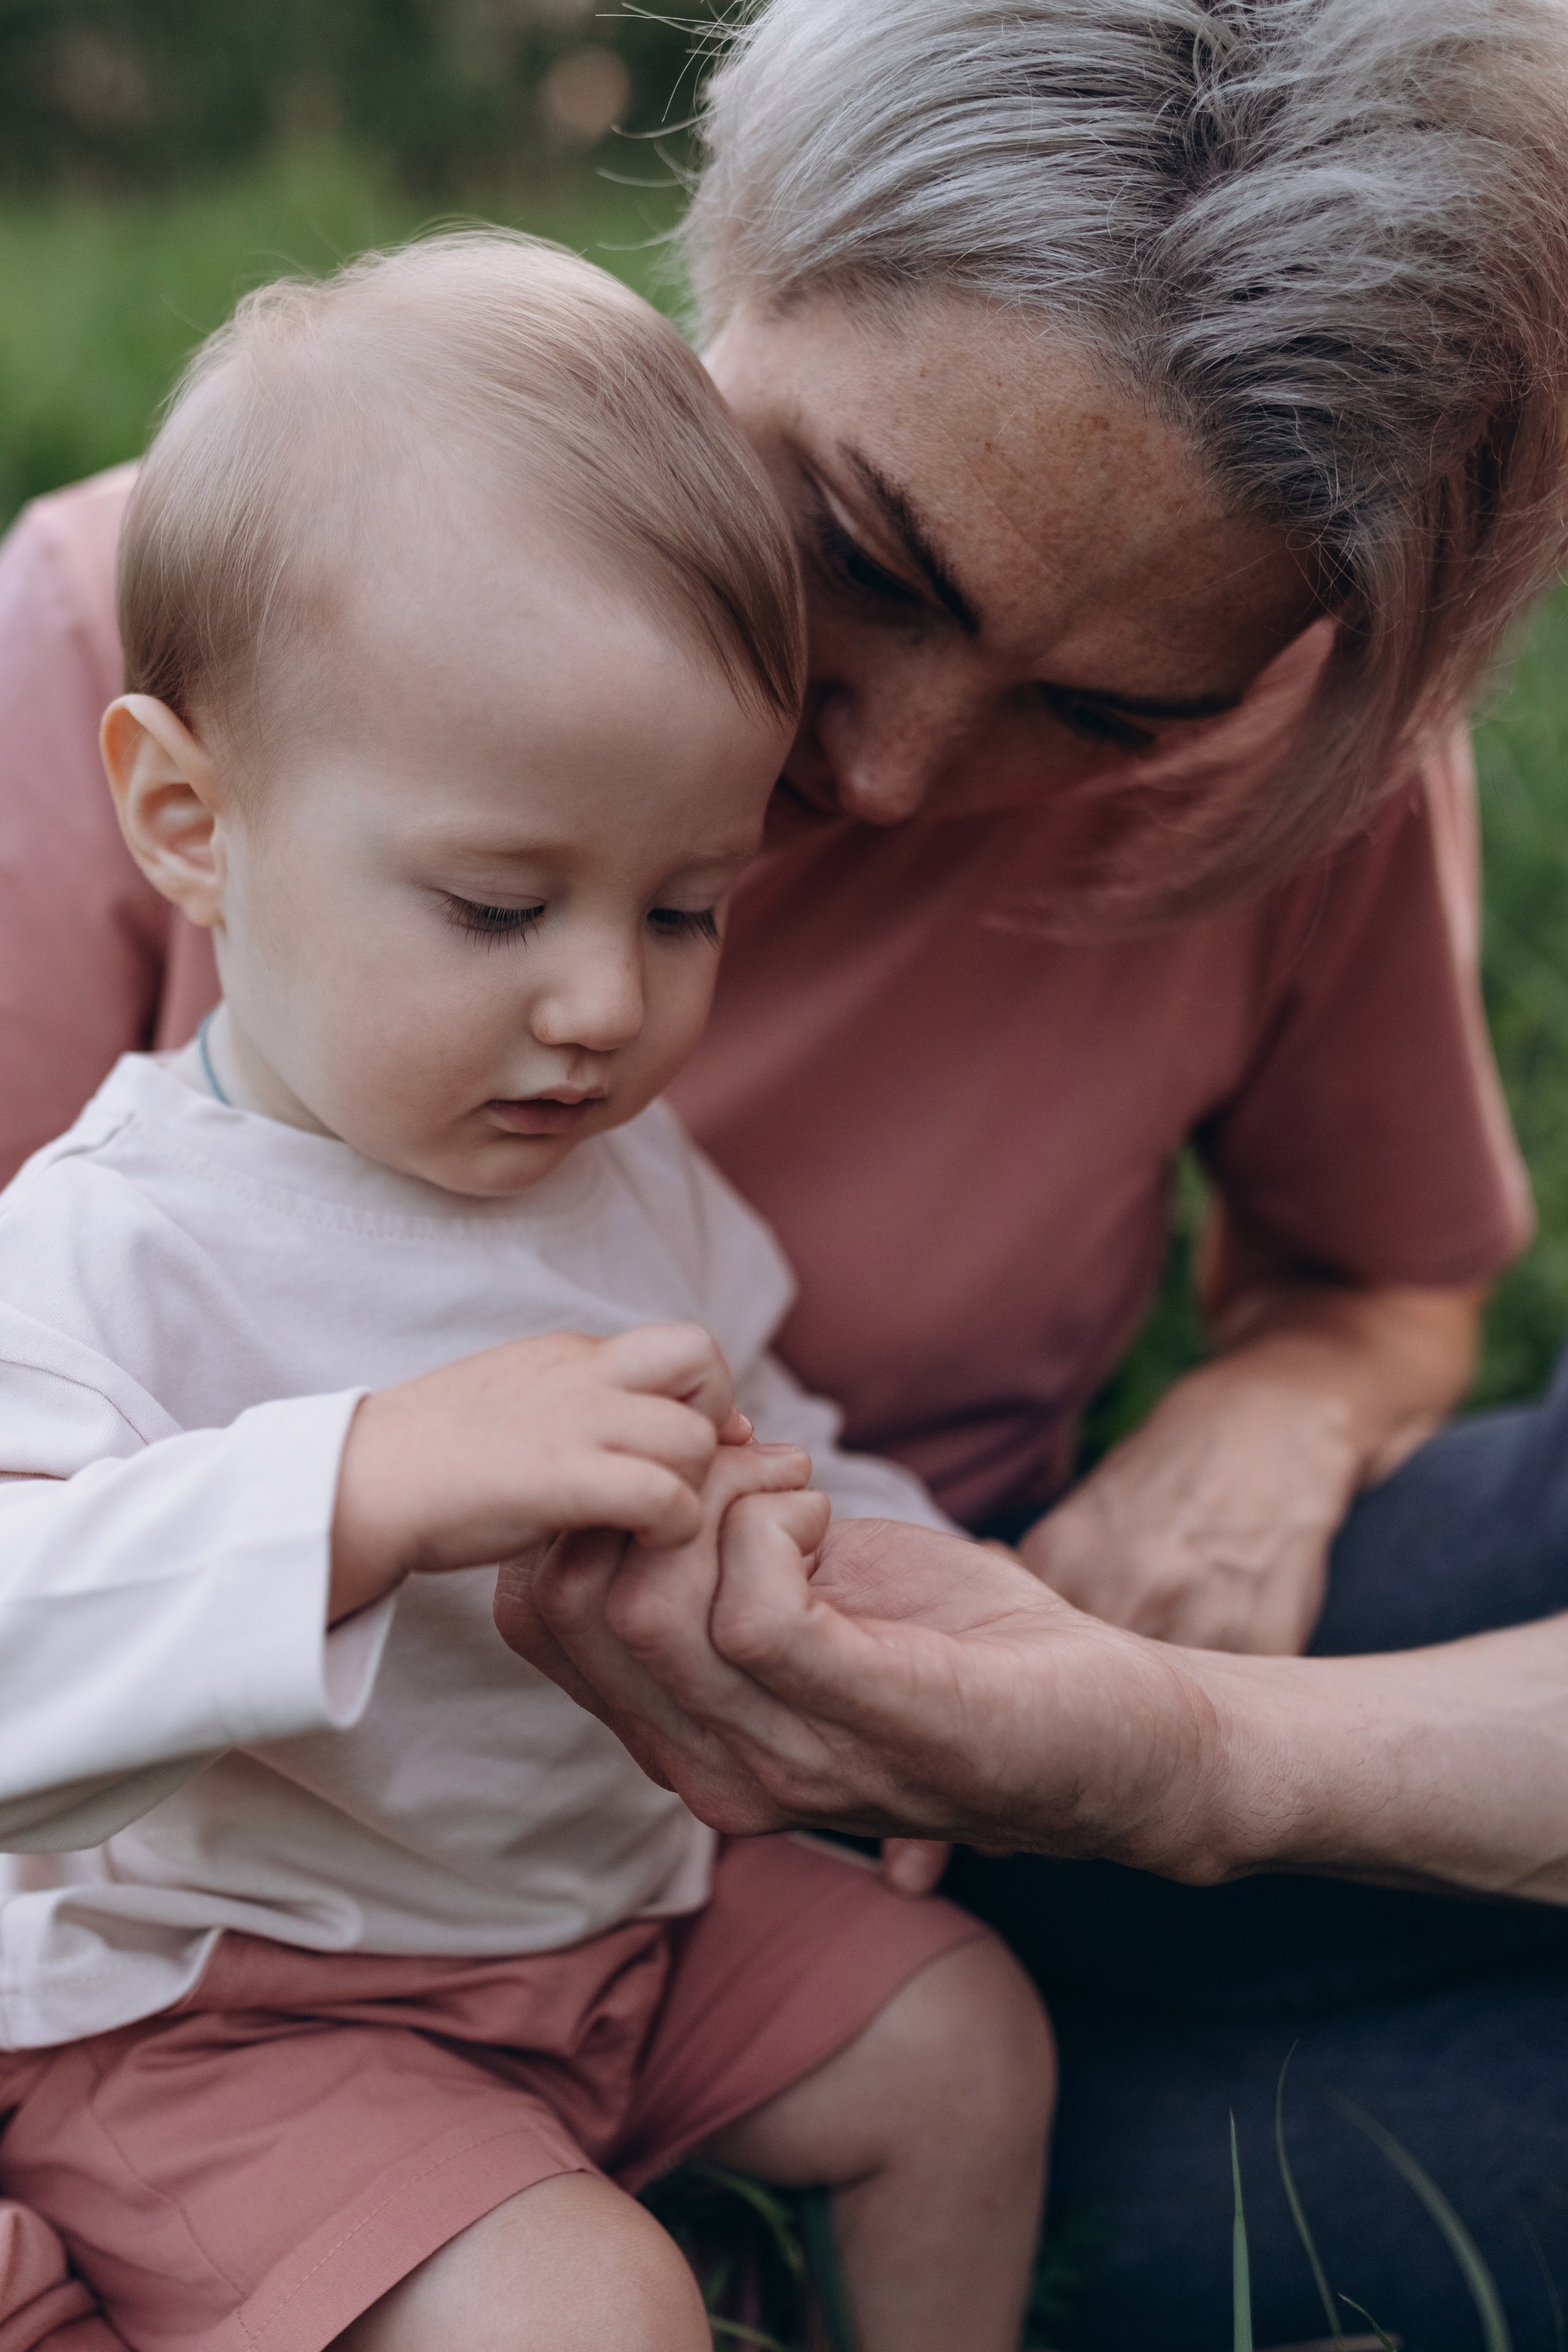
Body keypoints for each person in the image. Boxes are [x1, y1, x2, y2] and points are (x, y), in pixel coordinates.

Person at [4, 0, 1568, 2342]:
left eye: (1111, 711)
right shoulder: (198, 639)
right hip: (280, 1933)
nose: (907, 770)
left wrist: (1258, 1446)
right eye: (868, 553)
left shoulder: (1277, 768)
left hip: (886, 1784)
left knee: (979, 2050)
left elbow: (1350, 1295)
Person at [0, 233, 1054, 2352]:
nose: (602, 1002)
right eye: (499, 903)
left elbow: (763, 1430)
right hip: (236, 1996)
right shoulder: (110, 1244)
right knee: (593, 2312)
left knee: (964, 2045)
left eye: (686, 905)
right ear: (190, 818)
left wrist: (899, 1627)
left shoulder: (619, 1164)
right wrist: (363, 1487)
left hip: (617, 1913)